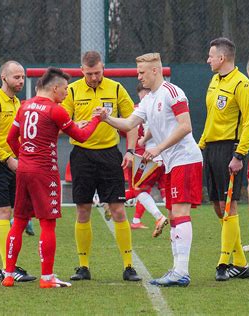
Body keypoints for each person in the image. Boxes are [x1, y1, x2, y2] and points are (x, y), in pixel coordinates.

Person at [101, 52, 203, 287]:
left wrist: (158, 148)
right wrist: (107, 118)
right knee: (174, 215)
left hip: (185, 159)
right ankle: (177, 270)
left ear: (156, 71)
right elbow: (128, 124)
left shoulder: (172, 92)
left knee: (180, 213)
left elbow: (185, 126)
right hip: (171, 162)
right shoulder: (148, 100)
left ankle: (181, 271)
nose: (139, 77)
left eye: (142, 73)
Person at [2, 67, 103, 288]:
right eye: (65, 89)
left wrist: (24, 158)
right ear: (55, 88)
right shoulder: (56, 110)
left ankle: (8, 275)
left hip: (24, 170)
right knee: (47, 223)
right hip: (44, 171)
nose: (67, 93)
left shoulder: (25, 106)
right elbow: (83, 138)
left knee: (18, 221)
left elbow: (11, 138)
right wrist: (98, 119)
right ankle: (47, 278)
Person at [61, 51, 141, 282]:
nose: (95, 77)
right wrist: (77, 124)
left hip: (109, 155)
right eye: (89, 73)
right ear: (81, 70)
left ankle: (128, 266)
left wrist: (130, 150)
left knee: (117, 209)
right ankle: (83, 266)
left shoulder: (116, 89)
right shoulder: (73, 90)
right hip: (82, 156)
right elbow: (61, 123)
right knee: (83, 210)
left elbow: (133, 121)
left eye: (98, 72)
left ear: (103, 68)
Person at [198, 37, 249, 281]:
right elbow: (212, 117)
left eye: (211, 56)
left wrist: (239, 154)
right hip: (210, 150)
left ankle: (223, 263)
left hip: (228, 151)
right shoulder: (214, 80)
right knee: (217, 206)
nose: (208, 59)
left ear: (222, 58)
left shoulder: (242, 84)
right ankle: (241, 264)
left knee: (229, 205)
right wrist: (200, 145)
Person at [0, 60, 35, 282]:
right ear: (4, 78)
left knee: (5, 214)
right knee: (2, 213)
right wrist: (7, 158)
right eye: (16, 77)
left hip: (12, 162)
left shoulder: (18, 103)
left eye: (22, 77)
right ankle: (8, 267)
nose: (20, 81)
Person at [125, 83, 168, 235]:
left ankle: (158, 217)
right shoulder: (162, 105)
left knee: (138, 190)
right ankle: (176, 226)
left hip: (146, 156)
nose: (145, 98)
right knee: (164, 190)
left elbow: (128, 129)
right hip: (165, 154)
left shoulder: (139, 109)